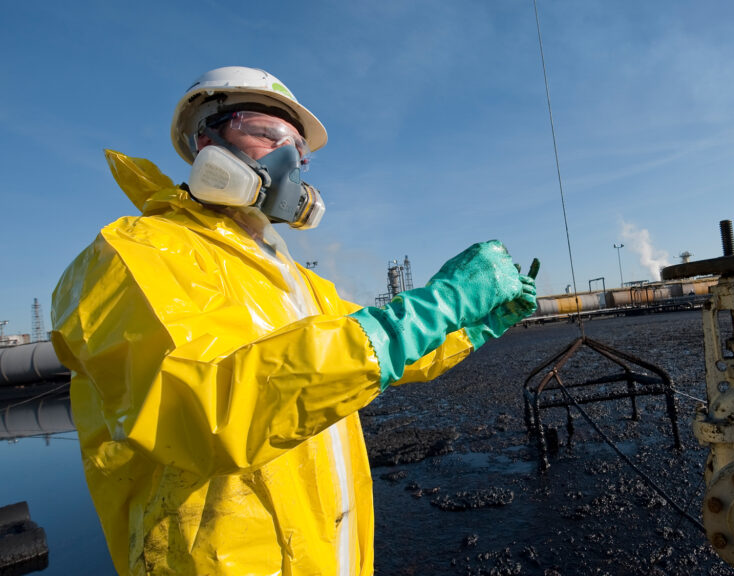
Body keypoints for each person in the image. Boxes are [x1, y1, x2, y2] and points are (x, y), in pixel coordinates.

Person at [50, 66, 538, 576]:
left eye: (299, 149)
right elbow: (208, 411)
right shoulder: (135, 252)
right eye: (267, 134)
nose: (292, 159)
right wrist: (438, 303)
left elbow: (381, 347)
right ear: (205, 143)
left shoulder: (293, 279)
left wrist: (474, 322)